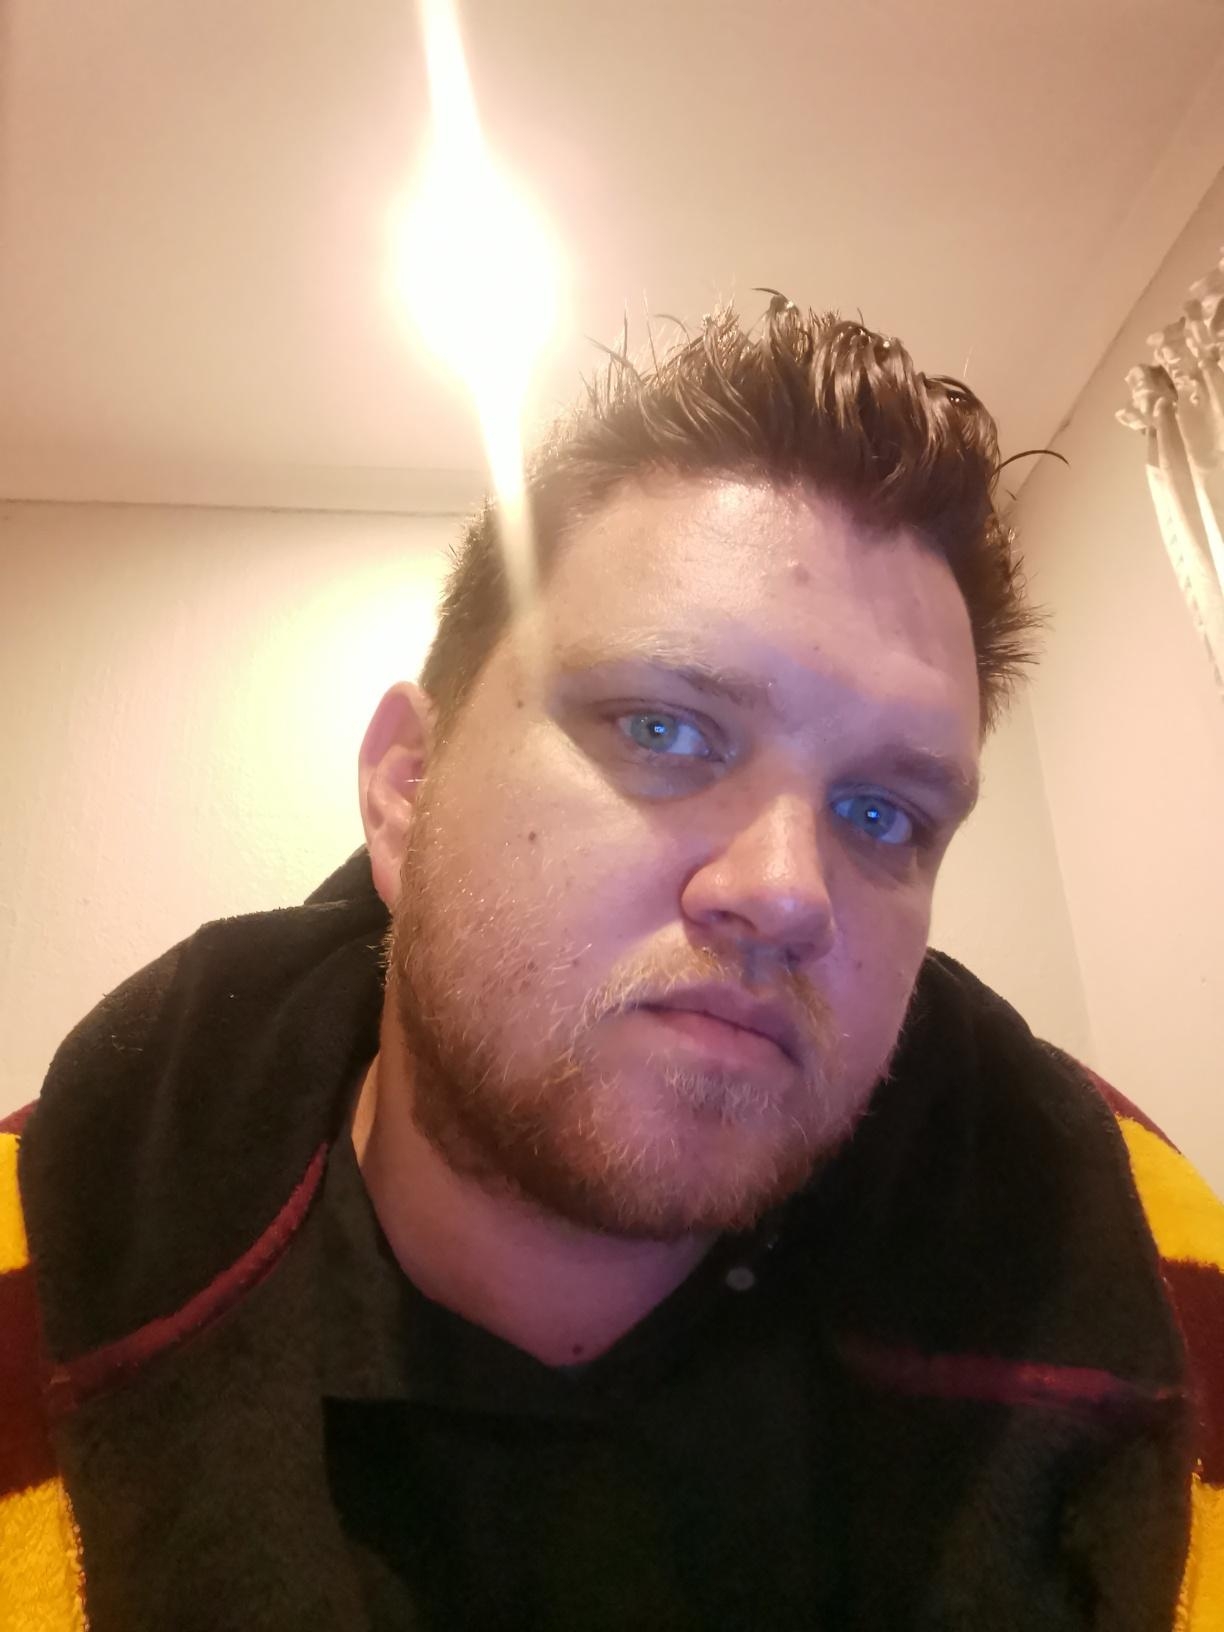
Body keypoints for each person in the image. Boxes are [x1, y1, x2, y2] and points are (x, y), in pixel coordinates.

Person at [2, 300, 1221, 1631]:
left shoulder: (1142, 1278)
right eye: (664, 728)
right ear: (406, 788)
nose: (787, 891)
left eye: (883, 813)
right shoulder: (32, 1287)